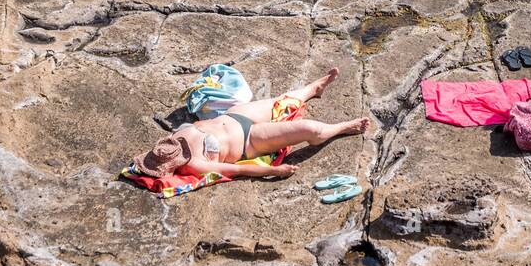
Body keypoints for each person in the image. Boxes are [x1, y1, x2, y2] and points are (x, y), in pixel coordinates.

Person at [134, 67, 369, 180]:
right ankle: (344, 127)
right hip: (251, 140)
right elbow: (237, 169)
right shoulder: (194, 165)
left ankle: (313, 88)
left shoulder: (175, 137)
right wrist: (273, 170)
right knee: (310, 129)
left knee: (282, 102)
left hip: (235, 115)